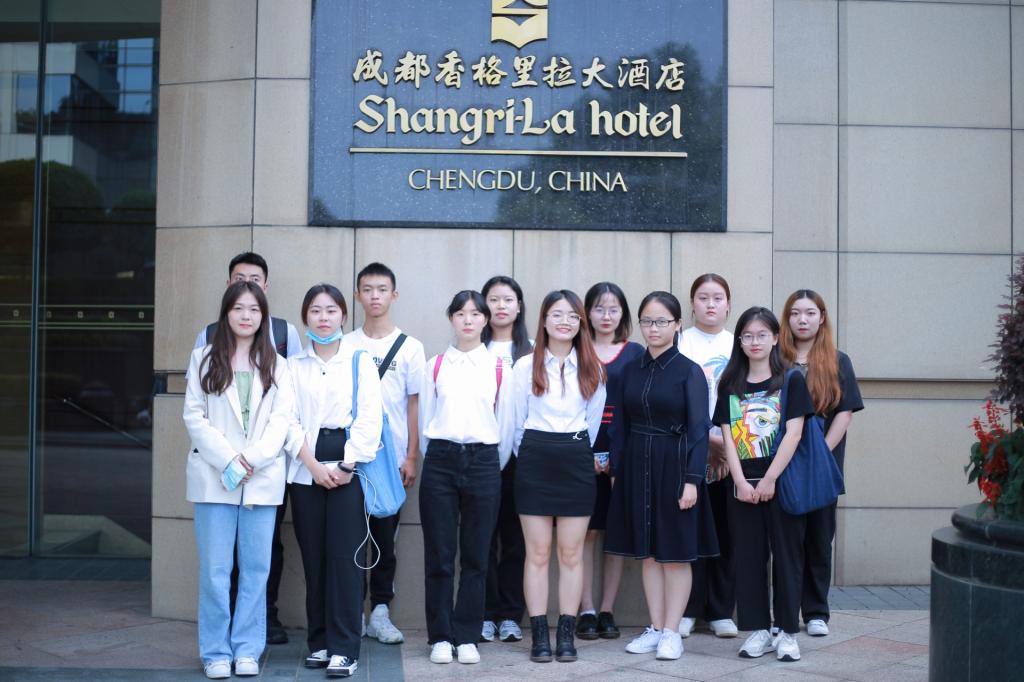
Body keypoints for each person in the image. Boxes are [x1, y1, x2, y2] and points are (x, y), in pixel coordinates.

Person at [183, 281, 294, 679]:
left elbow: (282, 422)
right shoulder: (203, 358)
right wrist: (229, 459)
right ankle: (215, 652)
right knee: (215, 572)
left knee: (256, 570)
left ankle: (247, 649)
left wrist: (250, 459)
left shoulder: (277, 364)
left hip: (260, 479)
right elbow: (194, 416)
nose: (246, 316)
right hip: (214, 480)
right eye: (238, 308)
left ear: (263, 316)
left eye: (254, 309)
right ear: (226, 313)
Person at [604, 291, 718, 661]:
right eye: (647, 321)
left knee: (676, 554)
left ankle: (672, 632)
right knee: (649, 553)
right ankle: (655, 627)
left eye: (662, 322)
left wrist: (692, 480)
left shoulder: (689, 371)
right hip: (637, 465)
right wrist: (618, 470)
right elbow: (619, 426)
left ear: (677, 325)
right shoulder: (630, 370)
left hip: (675, 464)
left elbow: (699, 430)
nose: (653, 328)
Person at [285, 284, 383, 679]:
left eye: (330, 310)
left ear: (343, 315)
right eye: (315, 310)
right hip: (305, 465)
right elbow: (287, 420)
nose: (323, 317)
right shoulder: (293, 365)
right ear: (305, 317)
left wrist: (346, 465)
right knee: (314, 558)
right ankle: (320, 642)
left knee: (345, 559)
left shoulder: (360, 360)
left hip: (349, 463)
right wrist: (311, 465)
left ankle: (345, 647)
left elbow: (370, 418)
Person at [418, 290, 514, 666]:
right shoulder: (436, 365)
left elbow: (505, 426)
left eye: (475, 314)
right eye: (461, 313)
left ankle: (468, 634)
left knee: (476, 555)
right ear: (451, 319)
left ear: (485, 320)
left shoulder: (498, 368)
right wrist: (441, 454)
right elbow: (426, 421)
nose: (468, 320)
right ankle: (441, 636)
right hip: (440, 460)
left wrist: (486, 462)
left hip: (484, 461)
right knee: (439, 555)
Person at [714, 307, 815, 663]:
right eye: (747, 336)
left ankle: (787, 632)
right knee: (749, 557)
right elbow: (728, 437)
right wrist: (740, 481)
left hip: (782, 482)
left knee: (787, 558)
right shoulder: (730, 383)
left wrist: (771, 477)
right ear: (739, 341)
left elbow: (794, 432)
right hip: (742, 485)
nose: (754, 342)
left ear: (775, 338)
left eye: (761, 335)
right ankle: (757, 629)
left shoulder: (791, 380)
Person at [513, 290, 607, 664]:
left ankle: (566, 635)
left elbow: (593, 424)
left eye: (572, 315)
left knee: (571, 553)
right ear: (544, 320)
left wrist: (573, 449)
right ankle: (539, 636)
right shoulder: (525, 367)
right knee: (537, 552)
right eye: (556, 314)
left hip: (575, 459)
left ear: (581, 322)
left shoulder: (594, 368)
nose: (564, 321)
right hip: (535, 458)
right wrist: (532, 453)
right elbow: (515, 422)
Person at [342, 262, 425, 644]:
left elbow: (414, 404)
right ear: (357, 295)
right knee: (350, 537)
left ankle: (380, 611)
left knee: (385, 537)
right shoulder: (346, 343)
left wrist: (411, 456)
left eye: (381, 289)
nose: (374, 296)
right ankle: (352, 614)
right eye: (367, 289)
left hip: (391, 460)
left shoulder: (410, 347)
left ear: (394, 295)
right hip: (351, 458)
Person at [779, 289, 863, 637]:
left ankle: (815, 612)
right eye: (796, 313)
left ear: (822, 317)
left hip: (822, 465)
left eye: (810, 313)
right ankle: (784, 612)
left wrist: (821, 455)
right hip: (783, 464)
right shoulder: (776, 359)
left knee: (818, 540)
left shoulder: (838, 360)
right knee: (786, 543)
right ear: (787, 318)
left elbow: (845, 413)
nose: (803, 320)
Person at [575, 282, 643, 641]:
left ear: (623, 314)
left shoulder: (635, 354)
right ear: (587, 313)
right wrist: (586, 453)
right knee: (584, 533)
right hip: (579, 452)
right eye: (599, 308)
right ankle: (585, 609)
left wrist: (615, 457)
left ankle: (607, 610)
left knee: (615, 533)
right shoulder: (576, 350)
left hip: (624, 451)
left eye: (613, 309)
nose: (606, 316)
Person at [678, 274, 739, 639]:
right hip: (689, 451)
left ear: (728, 304)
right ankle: (687, 609)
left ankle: (720, 610)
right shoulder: (680, 341)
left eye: (718, 297)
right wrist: (705, 441)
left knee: (727, 532)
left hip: (733, 454)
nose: (711, 304)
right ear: (692, 303)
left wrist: (725, 445)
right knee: (691, 531)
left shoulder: (738, 344)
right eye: (703, 297)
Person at [480, 275, 531, 643]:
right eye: (494, 299)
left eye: (508, 299)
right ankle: (484, 612)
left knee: (516, 539)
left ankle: (511, 614)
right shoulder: (471, 349)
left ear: (519, 306)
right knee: (481, 537)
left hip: (521, 457)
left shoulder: (532, 351)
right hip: (481, 454)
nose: (501, 306)